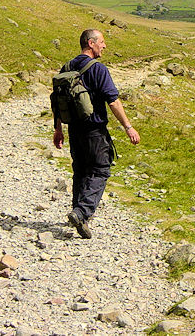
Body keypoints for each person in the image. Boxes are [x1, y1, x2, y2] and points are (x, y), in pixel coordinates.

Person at [52, 29, 140, 238]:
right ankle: (82, 212)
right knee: (100, 169)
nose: (104, 46)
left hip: (74, 129)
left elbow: (57, 101)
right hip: (94, 130)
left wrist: (58, 129)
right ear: (90, 43)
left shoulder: (67, 67)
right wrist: (128, 127)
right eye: (102, 42)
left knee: (80, 170)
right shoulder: (98, 69)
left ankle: (77, 211)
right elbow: (113, 101)